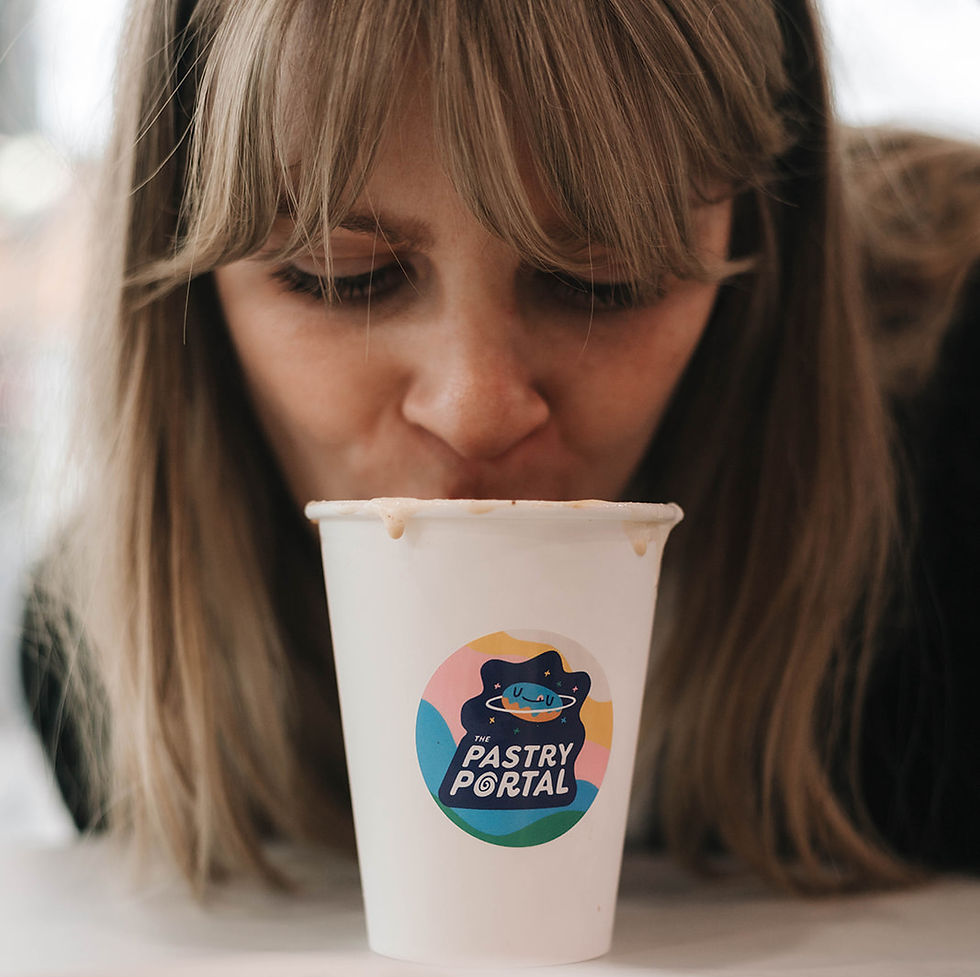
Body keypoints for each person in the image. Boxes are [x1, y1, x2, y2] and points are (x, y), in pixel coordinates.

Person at [20, 0, 980, 894]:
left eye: (606, 279)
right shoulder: (106, 672)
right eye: (341, 274)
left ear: (769, 232)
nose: (475, 410)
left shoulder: (955, 435)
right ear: (187, 294)